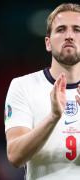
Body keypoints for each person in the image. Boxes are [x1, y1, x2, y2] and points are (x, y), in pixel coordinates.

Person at [5, 3, 80, 180]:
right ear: (48, 42)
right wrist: (53, 117)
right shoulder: (23, 86)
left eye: (77, 29)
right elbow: (15, 157)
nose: (69, 36)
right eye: (61, 29)